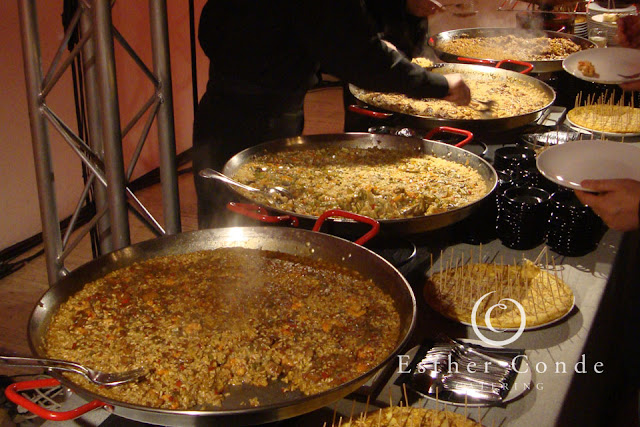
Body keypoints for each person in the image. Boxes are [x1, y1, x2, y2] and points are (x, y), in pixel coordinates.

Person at [192, 0, 469, 229]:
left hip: (242, 102)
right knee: (241, 230)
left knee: (247, 223)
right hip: (247, 115)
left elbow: (337, 30)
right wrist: (440, 85)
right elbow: (354, 52)